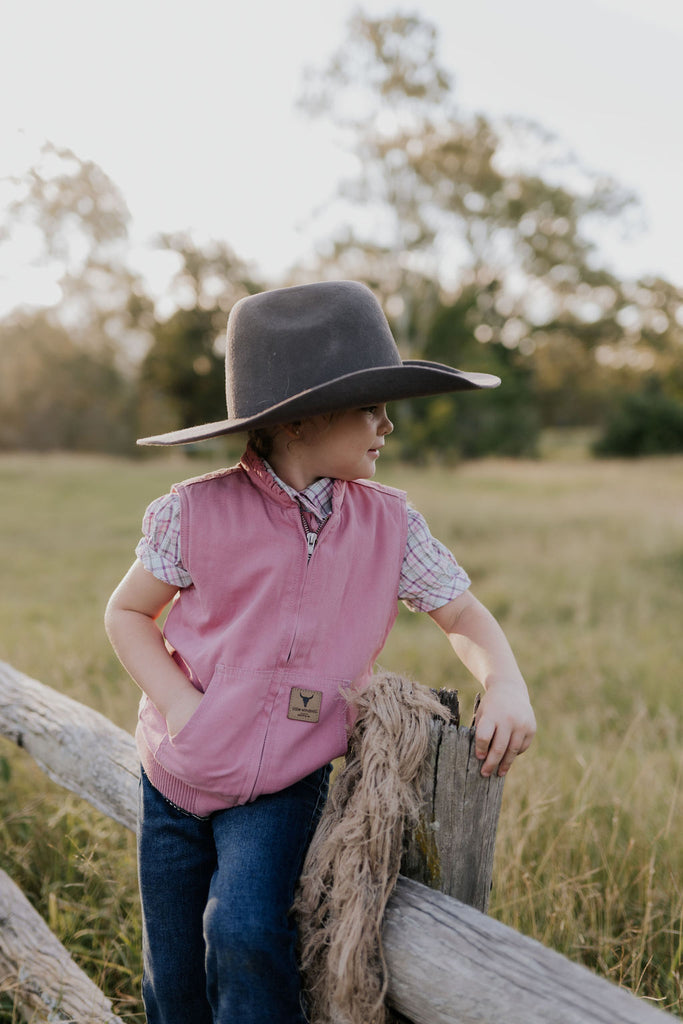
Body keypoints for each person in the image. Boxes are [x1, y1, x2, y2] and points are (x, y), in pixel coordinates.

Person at [105, 280, 536, 1024]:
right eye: (370, 407)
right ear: (302, 420)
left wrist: (503, 680)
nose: (386, 425)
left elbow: (460, 612)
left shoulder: (389, 524)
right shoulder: (193, 511)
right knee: (171, 980)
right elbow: (126, 613)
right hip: (175, 777)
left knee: (241, 933)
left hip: (284, 782)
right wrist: (181, 708)